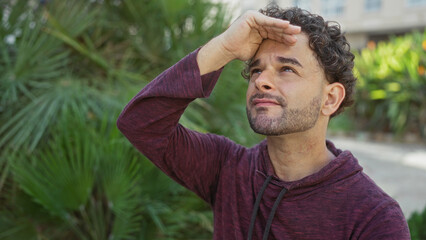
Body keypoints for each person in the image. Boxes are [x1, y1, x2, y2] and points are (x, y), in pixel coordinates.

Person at [117, 4, 410, 240]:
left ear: (330, 99)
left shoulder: (373, 217)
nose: (262, 81)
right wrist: (225, 49)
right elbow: (141, 122)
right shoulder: (227, 169)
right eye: (256, 70)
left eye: (286, 69)